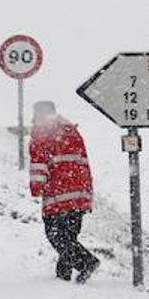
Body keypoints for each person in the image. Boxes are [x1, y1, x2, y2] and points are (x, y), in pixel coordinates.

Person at [29, 101, 99, 283]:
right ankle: (63, 276)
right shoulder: (71, 131)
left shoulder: (42, 132)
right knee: (69, 236)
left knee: (56, 237)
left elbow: (39, 165)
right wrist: (86, 194)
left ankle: (87, 262)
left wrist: (36, 188)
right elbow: (83, 162)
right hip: (79, 194)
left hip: (58, 195)